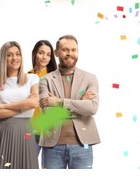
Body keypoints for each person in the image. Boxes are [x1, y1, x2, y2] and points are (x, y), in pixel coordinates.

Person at [39, 34, 100, 169]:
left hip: (82, 145)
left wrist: (58, 102)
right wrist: (79, 103)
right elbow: (47, 112)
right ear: (56, 52)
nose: (70, 54)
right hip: (52, 147)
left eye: (74, 50)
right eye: (65, 50)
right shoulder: (45, 80)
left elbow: (92, 108)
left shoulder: (90, 78)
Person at [0, 41, 39, 169]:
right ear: (4, 58)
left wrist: (3, 106)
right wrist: (24, 108)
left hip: (25, 131)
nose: (15, 58)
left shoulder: (32, 78)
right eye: (9, 55)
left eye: (17, 54)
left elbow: (33, 103)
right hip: (2, 131)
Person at [27, 40, 57, 155]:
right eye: (41, 53)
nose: (44, 57)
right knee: (28, 166)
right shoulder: (27, 76)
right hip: (31, 129)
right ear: (35, 53)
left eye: (48, 54)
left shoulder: (55, 76)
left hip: (51, 129)